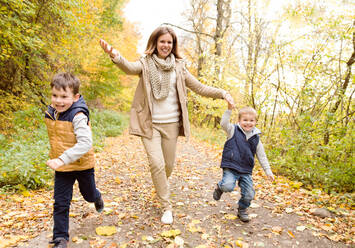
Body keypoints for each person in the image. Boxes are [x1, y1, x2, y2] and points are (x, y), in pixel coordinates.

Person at [99, 26, 235, 224]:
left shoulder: (179, 67)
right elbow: (129, 68)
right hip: (150, 124)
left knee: (168, 166)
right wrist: (115, 55)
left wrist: (222, 93)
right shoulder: (145, 63)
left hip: (171, 124)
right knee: (157, 164)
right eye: (162, 41)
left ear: (173, 45)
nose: (166, 45)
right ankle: (166, 206)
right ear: (155, 43)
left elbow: (200, 87)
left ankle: (159, 185)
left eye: (169, 42)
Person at [45, 72, 104, 248]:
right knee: (60, 202)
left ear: (75, 97)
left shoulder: (78, 115)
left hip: (81, 164)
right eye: (55, 95)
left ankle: (97, 196)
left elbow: (85, 143)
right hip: (63, 167)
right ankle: (60, 238)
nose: (58, 101)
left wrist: (62, 158)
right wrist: (59, 159)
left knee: (88, 195)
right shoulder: (52, 113)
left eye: (64, 96)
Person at [213, 103, 275, 222]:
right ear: (239, 120)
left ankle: (242, 209)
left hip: (246, 170)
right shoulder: (232, 130)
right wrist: (229, 110)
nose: (248, 123)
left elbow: (262, 156)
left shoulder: (256, 138)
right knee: (227, 186)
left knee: (249, 194)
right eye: (245, 120)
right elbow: (223, 124)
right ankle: (220, 187)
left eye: (251, 120)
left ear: (255, 122)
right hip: (231, 166)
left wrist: (268, 171)